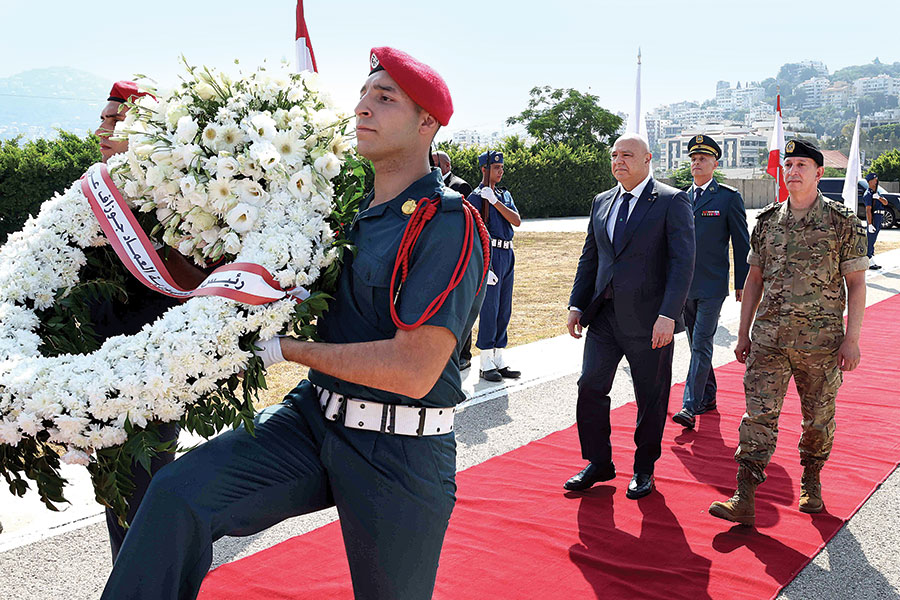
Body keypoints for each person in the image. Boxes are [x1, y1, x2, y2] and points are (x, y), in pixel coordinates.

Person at [101, 47, 486, 600]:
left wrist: (289, 349)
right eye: (362, 95)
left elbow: (414, 370)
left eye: (384, 98)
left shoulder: (446, 222)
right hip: (313, 420)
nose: (362, 108)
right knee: (177, 495)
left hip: (399, 448)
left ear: (428, 122)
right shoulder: (348, 212)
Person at [709, 139, 867, 526]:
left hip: (821, 342)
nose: (792, 171)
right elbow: (754, 278)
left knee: (817, 417)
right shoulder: (766, 222)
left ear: (819, 173)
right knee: (758, 415)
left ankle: (811, 479)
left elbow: (857, 284)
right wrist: (743, 331)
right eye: (789, 164)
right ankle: (744, 495)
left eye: (801, 165)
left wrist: (852, 338)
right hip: (769, 340)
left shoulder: (841, 221)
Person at [94, 80, 207, 562]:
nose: (103, 128)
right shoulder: (96, 189)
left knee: (143, 489)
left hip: (152, 373)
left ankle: (144, 583)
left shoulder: (174, 198)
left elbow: (196, 276)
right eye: (102, 117)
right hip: (96, 367)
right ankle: (133, 578)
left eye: (116, 120)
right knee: (114, 489)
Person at [564, 134, 695, 499]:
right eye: (614, 155)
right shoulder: (601, 202)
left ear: (648, 158)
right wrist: (577, 304)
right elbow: (590, 257)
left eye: (627, 155)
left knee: (650, 397)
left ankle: (644, 468)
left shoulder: (671, 201)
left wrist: (669, 314)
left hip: (650, 320)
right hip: (604, 316)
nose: (618, 160)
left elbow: (683, 263)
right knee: (590, 385)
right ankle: (599, 462)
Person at [672, 135, 751, 430]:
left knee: (703, 343)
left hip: (712, 286)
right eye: (693, 159)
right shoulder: (680, 197)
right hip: (684, 287)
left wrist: (742, 281)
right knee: (696, 346)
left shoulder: (728, 197)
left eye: (703, 159)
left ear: (715, 164)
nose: (696, 163)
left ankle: (689, 406)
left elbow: (741, 243)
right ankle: (708, 397)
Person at [470, 150, 522, 382]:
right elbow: (471, 234)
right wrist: (483, 264)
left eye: (501, 167)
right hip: (489, 254)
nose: (501, 171)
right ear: (484, 169)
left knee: (504, 307)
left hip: (507, 253)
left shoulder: (503, 195)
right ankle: (485, 362)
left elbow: (516, 220)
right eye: (496, 167)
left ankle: (499, 358)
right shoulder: (475, 197)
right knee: (489, 309)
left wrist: (495, 201)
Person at [432, 150, 475, 370]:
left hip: (459, 252)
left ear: (446, 166)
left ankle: (464, 354)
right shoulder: (431, 185)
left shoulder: (460, 186)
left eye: (435, 163)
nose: (431, 166)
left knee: (461, 306)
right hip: (439, 252)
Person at [863, 172, 887, 270]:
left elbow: (885, 202)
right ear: (870, 181)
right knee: (870, 239)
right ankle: (868, 259)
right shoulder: (868, 194)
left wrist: (879, 197)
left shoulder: (876, 193)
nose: (876, 181)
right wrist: (869, 224)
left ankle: (870, 258)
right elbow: (868, 210)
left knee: (873, 238)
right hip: (874, 217)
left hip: (879, 216)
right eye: (874, 179)